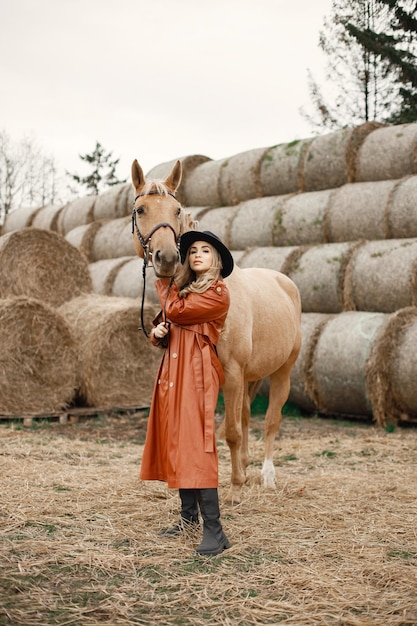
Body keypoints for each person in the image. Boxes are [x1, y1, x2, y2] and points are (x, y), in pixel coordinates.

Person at [140, 230, 234, 556]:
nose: (196, 255)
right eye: (192, 250)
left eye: (205, 251)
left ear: (216, 260)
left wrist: (165, 282)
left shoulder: (218, 293)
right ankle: (188, 518)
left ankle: (216, 532)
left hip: (196, 375)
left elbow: (178, 312)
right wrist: (158, 333)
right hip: (173, 373)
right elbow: (167, 323)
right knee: (178, 441)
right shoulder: (185, 291)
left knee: (197, 446)